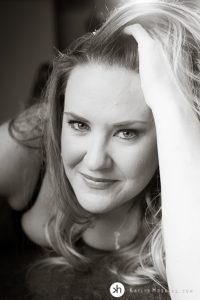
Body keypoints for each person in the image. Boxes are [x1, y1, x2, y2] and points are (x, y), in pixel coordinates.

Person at [1, 0, 200, 299]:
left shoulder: (185, 151)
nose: (94, 161)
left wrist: (172, 106)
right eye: (79, 125)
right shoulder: (35, 137)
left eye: (126, 132)